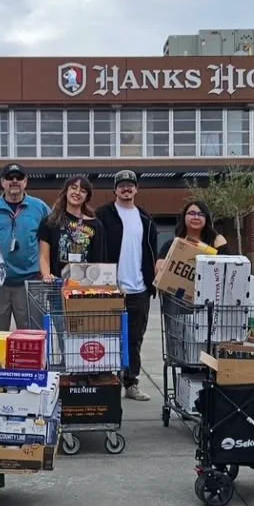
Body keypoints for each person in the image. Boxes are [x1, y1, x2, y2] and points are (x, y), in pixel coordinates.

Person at [95, 170, 158, 402]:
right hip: (110, 289)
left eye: (130, 185)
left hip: (139, 290)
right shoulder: (102, 215)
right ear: (115, 190)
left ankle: (131, 383)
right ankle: (105, 382)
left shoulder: (145, 219)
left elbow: (151, 252)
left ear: (136, 189)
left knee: (134, 339)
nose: (126, 188)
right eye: (121, 185)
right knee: (105, 338)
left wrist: (152, 283)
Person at [0, 163, 50, 330]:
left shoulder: (40, 207)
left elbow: (52, 236)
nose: (14, 181)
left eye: (19, 177)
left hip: (30, 282)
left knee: (32, 335)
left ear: (25, 181)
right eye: (9, 177)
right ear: (2, 182)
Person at [37, 175, 107, 281]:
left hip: (85, 285)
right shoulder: (50, 222)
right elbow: (43, 257)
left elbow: (99, 261)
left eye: (83, 191)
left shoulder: (96, 225)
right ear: (66, 191)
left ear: (87, 197)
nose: (77, 192)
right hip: (57, 284)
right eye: (73, 188)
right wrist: (46, 275)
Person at [155, 200, 231, 270]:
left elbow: (229, 267)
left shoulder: (216, 241)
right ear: (184, 217)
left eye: (201, 214)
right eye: (192, 213)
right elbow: (157, 270)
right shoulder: (171, 244)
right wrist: (161, 266)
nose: (196, 217)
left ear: (206, 219)